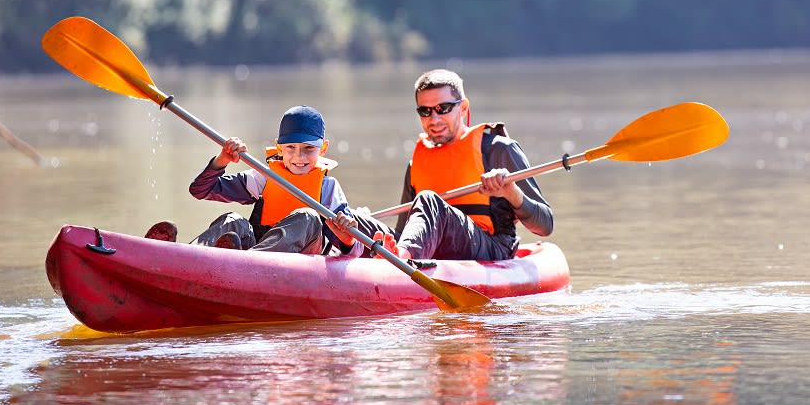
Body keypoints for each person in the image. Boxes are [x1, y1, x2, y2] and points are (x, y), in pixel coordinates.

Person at [374, 68, 554, 262]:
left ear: (463, 108)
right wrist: (362, 224)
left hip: (490, 248)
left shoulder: (498, 150)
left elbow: (545, 226)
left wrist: (512, 193)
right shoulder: (415, 165)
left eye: (443, 108)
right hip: (430, 252)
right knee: (355, 220)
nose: (434, 119)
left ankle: (398, 262)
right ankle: (350, 246)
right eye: (425, 111)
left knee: (429, 200)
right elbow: (403, 234)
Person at [145, 105, 363, 254]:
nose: (299, 156)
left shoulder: (329, 188)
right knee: (234, 220)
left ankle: (246, 262)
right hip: (254, 252)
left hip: (301, 259)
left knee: (308, 216)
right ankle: (188, 256)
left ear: (323, 149)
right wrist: (223, 159)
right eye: (290, 148)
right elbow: (201, 190)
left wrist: (346, 234)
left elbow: (352, 250)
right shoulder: (264, 178)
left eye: (308, 149)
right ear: (279, 147)